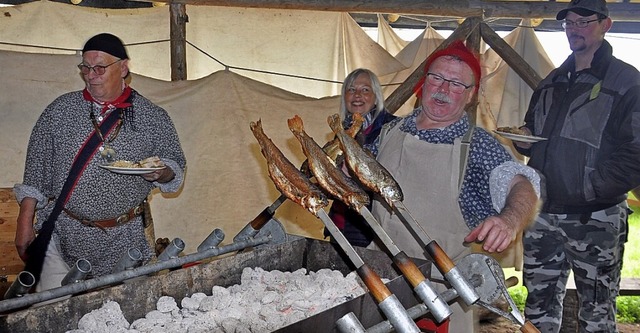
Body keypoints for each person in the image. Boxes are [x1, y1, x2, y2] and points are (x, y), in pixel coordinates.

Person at [367, 41, 541, 332]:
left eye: (457, 83)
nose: (443, 89)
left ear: (471, 95)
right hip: (379, 282)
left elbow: (521, 184)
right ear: (423, 83)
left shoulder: (477, 146)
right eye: (437, 78)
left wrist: (509, 219)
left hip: (441, 295)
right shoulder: (389, 131)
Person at [14, 33, 186, 293]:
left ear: (124, 68)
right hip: (63, 234)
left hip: (125, 238)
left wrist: (161, 172)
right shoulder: (59, 111)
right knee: (55, 311)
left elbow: (175, 168)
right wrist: (24, 223)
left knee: (128, 313)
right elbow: (36, 173)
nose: (90, 74)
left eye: (99, 68)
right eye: (85, 67)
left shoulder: (152, 117)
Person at [513, 0, 640, 331]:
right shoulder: (552, 81)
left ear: (606, 25)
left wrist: (592, 189)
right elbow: (534, 133)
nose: (574, 29)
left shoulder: (628, 82)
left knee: (596, 312)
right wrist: (523, 138)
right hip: (542, 214)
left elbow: (636, 152)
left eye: (584, 21)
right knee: (538, 309)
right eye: (569, 22)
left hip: (595, 218)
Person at [327, 68, 396, 247]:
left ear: (376, 97)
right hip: (338, 223)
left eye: (365, 90)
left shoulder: (392, 129)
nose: (357, 95)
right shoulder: (342, 130)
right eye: (351, 90)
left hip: (369, 227)